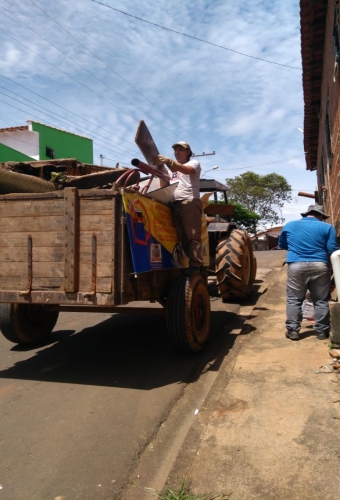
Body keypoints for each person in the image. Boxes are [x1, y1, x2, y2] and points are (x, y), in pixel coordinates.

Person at [278, 204, 339, 340]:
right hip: (320, 265)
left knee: (294, 299)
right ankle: (322, 332)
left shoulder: (289, 225)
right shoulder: (327, 227)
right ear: (321, 216)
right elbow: (332, 249)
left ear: (306, 214)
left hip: (296, 265)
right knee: (321, 300)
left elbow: (282, 244)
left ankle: (293, 331)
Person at [153, 141, 203, 274]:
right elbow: (164, 185)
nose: (177, 152)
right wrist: (160, 171)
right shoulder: (172, 170)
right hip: (175, 204)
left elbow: (186, 170)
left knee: (192, 235)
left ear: (188, 152)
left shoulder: (193, 163)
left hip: (189, 202)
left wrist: (169, 162)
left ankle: (196, 265)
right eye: (175, 150)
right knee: (183, 237)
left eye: (181, 149)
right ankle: (189, 263)